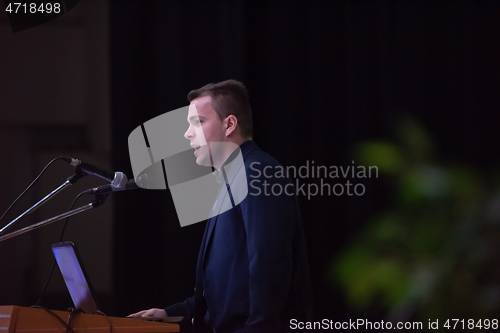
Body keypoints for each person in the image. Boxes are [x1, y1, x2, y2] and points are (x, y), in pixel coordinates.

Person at [129, 80, 312, 332]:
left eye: (198, 122)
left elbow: (270, 265)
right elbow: (225, 286)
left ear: (229, 124)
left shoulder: (258, 172)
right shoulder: (231, 178)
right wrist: (170, 313)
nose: (187, 133)